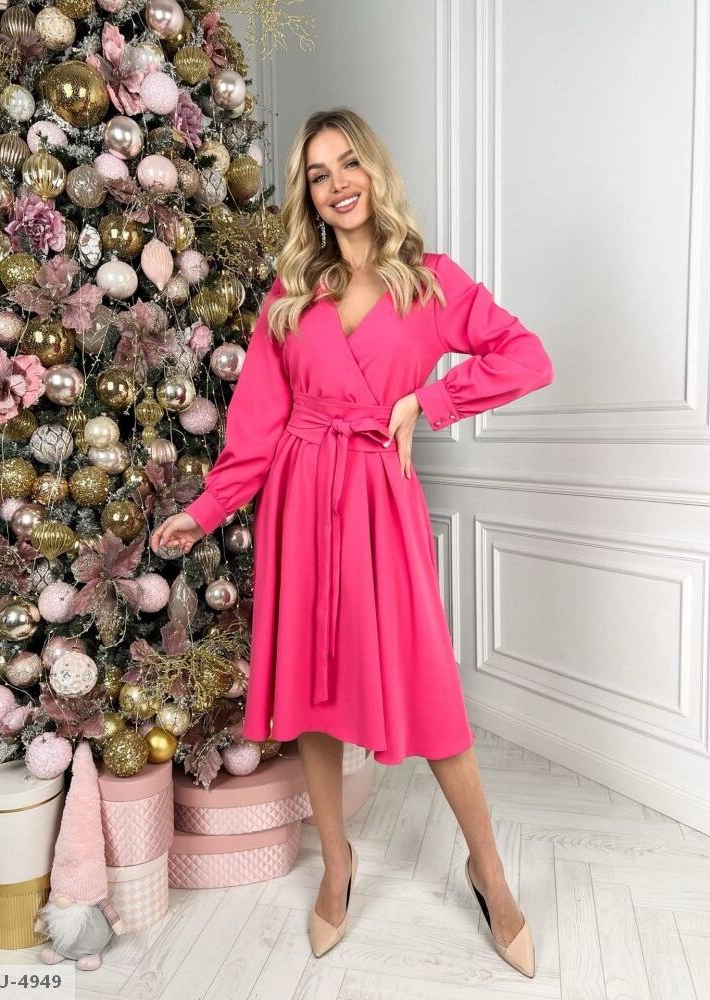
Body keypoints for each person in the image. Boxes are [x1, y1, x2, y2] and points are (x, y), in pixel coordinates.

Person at [151, 107, 553, 977]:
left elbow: (527, 357)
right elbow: (256, 425)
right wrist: (207, 510)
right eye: (317, 173)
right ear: (307, 194)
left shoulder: (430, 282)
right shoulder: (291, 294)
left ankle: (488, 872)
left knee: (429, 691)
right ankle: (336, 863)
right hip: (299, 499)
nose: (336, 184)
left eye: (347, 164)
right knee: (311, 689)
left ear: (372, 170)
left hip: (379, 496)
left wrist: (429, 402)